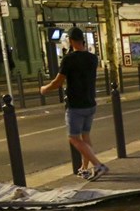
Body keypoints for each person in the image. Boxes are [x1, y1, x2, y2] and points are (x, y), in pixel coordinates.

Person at [39, 27, 109, 181]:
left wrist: (44, 89)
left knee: (73, 138)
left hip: (76, 105)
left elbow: (58, 82)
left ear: (70, 41)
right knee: (85, 136)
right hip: (90, 103)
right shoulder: (93, 58)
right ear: (83, 40)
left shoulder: (69, 59)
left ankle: (98, 165)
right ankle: (85, 168)